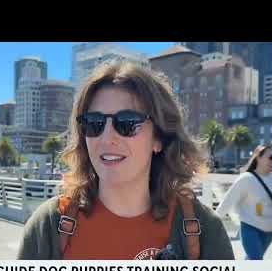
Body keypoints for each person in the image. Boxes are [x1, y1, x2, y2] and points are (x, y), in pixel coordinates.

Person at [17, 61, 234, 260]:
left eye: (128, 123)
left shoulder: (204, 230)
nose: (107, 138)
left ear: (158, 138)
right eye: (94, 123)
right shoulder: (49, 225)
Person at [216, 145, 272, 260]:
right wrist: (213, 222)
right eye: (270, 158)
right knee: (256, 260)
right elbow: (227, 202)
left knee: (252, 260)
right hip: (250, 227)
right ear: (258, 158)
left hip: (270, 231)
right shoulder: (246, 179)